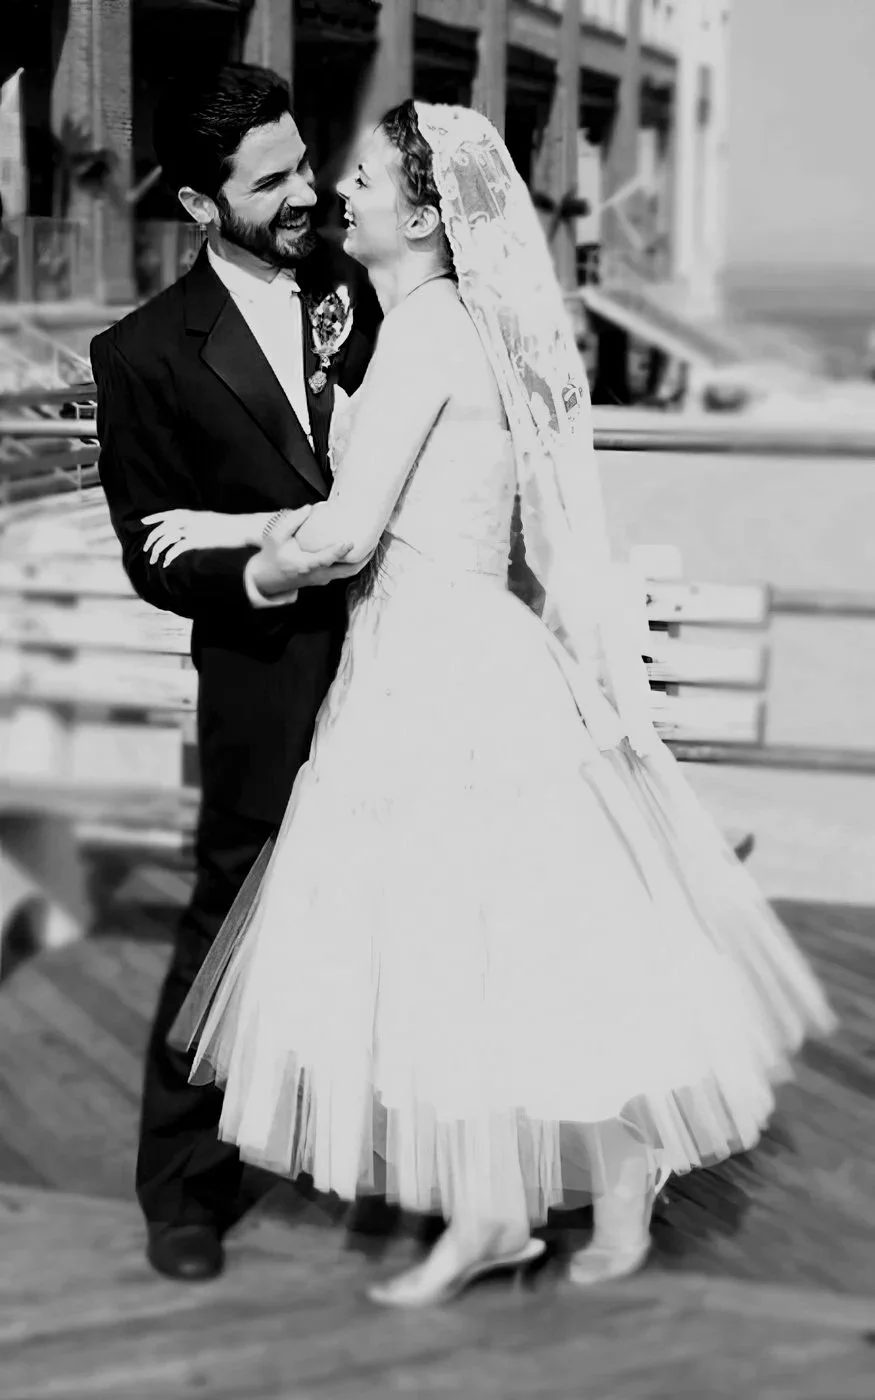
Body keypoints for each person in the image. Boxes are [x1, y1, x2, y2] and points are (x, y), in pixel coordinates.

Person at [150, 101, 834, 1308]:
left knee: (461, 948)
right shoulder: (443, 321)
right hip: (448, 652)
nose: (339, 195)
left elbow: (352, 533)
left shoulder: (421, 339)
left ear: (420, 214)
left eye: (359, 178)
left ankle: (508, 1207)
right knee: (481, 947)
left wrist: (220, 525)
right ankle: (512, 1203)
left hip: (433, 671)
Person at [91, 64, 381, 1282]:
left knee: (410, 910)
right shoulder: (143, 353)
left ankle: (406, 1165)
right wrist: (265, 571)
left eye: (307, 162)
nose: (306, 192)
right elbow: (153, 552)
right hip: (265, 674)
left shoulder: (362, 287)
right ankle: (186, 1187)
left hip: (400, 653)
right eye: (272, 181)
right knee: (232, 915)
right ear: (202, 207)